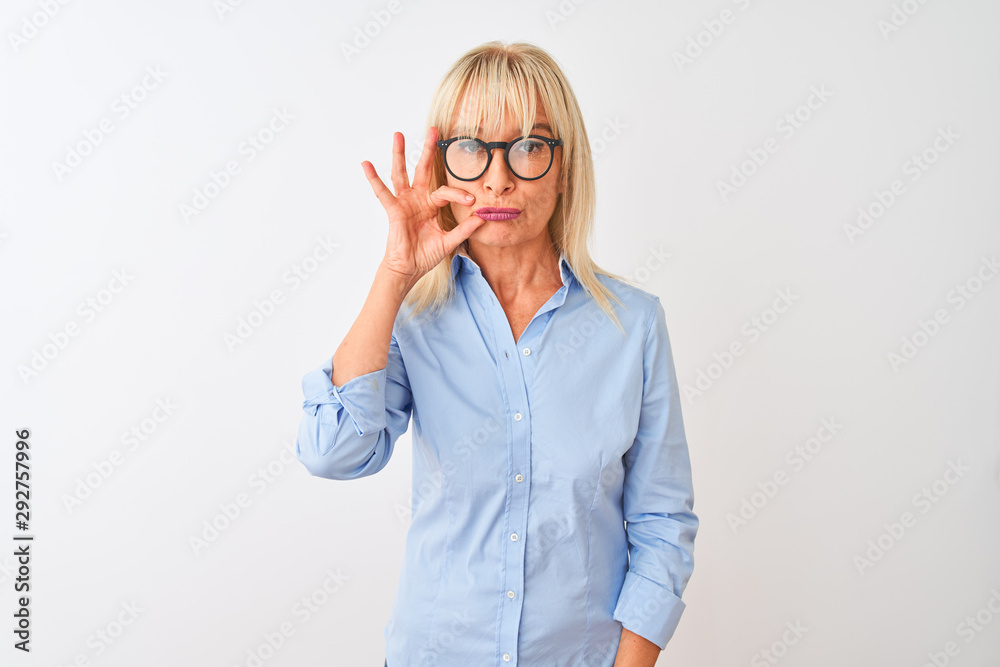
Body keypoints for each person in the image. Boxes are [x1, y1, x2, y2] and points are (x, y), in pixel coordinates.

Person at [296, 41, 698, 667]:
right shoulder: (411, 319)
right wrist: (394, 274)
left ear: (565, 165)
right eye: (471, 150)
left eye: (530, 146)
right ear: (442, 170)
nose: (498, 178)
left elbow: (662, 523)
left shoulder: (634, 325)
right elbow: (334, 452)